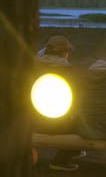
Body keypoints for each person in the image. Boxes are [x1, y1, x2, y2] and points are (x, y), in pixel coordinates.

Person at [33, 34, 84, 171]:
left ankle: (73, 151)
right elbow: (77, 99)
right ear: (64, 53)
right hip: (57, 124)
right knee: (83, 125)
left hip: (31, 121)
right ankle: (60, 160)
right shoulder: (68, 71)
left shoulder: (32, 68)